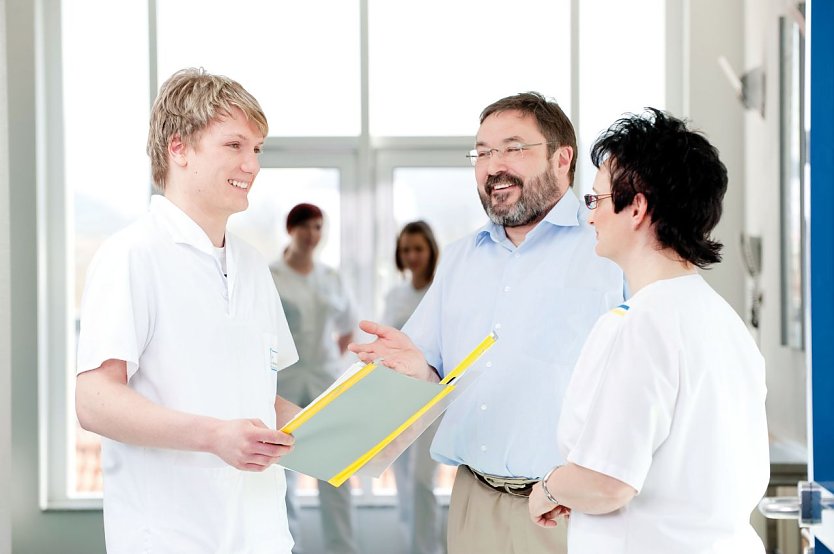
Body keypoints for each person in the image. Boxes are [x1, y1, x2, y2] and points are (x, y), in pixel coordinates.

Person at [349, 92, 624, 554]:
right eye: (482, 152)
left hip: (573, 510)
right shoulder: (459, 259)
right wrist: (417, 372)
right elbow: (429, 368)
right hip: (475, 504)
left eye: (513, 148)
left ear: (562, 159)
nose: (493, 165)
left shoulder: (608, 249)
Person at [74, 68, 301, 553]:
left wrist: (351, 426)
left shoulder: (253, 267)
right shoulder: (132, 255)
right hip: (171, 537)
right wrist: (215, 436)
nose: (252, 164)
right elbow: (93, 400)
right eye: (235, 145)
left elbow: (262, 399)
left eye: (257, 149)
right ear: (179, 148)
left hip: (260, 536)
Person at [528, 108, 769, 554]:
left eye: (596, 201)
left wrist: (549, 489)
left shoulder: (641, 323)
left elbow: (608, 482)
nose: (591, 218)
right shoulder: (723, 321)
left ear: (636, 206)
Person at [270, 203, 359, 554]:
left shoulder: (331, 277)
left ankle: (342, 548)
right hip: (287, 382)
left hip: (326, 380)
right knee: (283, 476)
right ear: (291, 229)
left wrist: (327, 361)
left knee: (336, 473)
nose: (312, 234)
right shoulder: (270, 275)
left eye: (319, 227)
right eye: (306, 226)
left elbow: (347, 327)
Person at [380, 221, 444, 554]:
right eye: (406, 249)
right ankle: (411, 546)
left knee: (422, 482)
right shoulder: (395, 295)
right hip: (397, 401)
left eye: (418, 248)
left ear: (431, 250)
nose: (412, 256)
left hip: (430, 399)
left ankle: (427, 549)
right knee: (403, 484)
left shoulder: (441, 292)